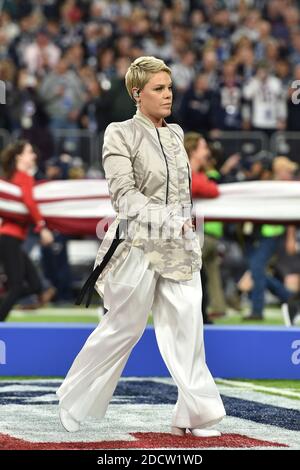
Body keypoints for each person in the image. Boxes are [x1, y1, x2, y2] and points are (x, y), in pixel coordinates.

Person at [56, 56, 225, 436]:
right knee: (123, 328)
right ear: (137, 94)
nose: (168, 95)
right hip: (136, 243)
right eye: (159, 89)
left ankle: (196, 415)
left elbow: (182, 192)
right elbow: (123, 197)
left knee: (188, 326)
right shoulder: (119, 133)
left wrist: (183, 224)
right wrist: (169, 217)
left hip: (179, 245)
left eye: (169, 88)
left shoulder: (177, 134)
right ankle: (73, 398)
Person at [0, 140, 55, 321]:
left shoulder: (14, 177)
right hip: (9, 238)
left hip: (12, 239)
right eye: (30, 152)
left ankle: (5, 301)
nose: (34, 156)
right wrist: (42, 227)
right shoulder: (23, 177)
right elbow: (29, 202)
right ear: (19, 157)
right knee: (16, 286)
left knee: (36, 284)